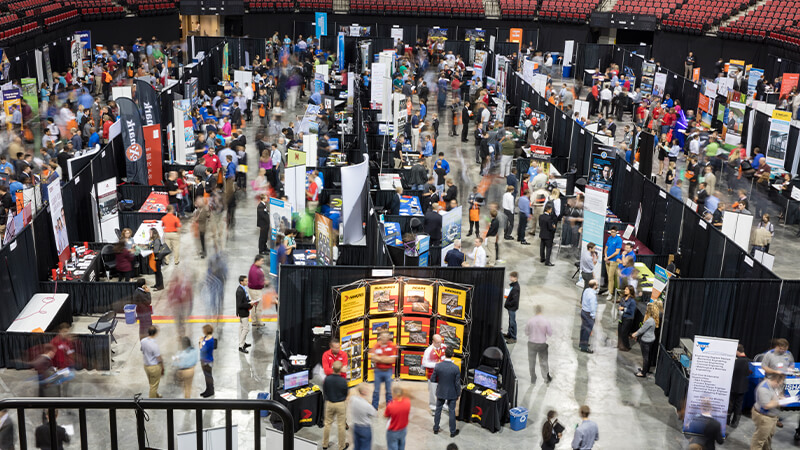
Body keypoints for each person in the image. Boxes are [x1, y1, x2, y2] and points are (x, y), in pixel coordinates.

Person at [431, 347, 461, 438]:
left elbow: (433, 379)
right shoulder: (456, 368)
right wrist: (458, 393)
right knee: (452, 411)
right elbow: (457, 384)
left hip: (441, 391)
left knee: (438, 410)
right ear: (453, 355)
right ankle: (452, 432)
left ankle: (436, 429)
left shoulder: (438, 366)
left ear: (444, 354)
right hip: (452, 393)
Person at [751, 373, 785, 450]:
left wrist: (781, 397)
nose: (781, 384)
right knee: (759, 440)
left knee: (769, 435)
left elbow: (777, 395)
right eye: (780, 382)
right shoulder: (764, 388)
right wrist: (780, 402)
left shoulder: (776, 386)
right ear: (776, 380)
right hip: (764, 418)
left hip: (773, 417)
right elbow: (766, 405)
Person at [322, 361, 349, 450]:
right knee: (341, 426)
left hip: (329, 403)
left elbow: (324, 391)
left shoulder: (327, 379)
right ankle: (341, 446)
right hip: (340, 404)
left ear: (332, 368)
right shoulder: (343, 381)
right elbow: (346, 393)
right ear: (341, 369)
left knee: (327, 424)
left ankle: (325, 444)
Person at [526, 305, 553, 383]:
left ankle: (533, 377)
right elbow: (550, 333)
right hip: (542, 344)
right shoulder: (545, 321)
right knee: (544, 361)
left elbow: (527, 332)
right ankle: (546, 378)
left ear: (535, 311)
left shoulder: (530, 320)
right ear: (541, 311)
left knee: (532, 361)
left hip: (531, 344)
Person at [631, 303, 659, 377]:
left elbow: (641, 330)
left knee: (645, 357)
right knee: (648, 356)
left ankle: (643, 373)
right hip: (651, 339)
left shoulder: (649, 321)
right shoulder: (653, 319)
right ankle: (645, 369)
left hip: (646, 341)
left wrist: (634, 334)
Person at [370, 332, 397, 409]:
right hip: (378, 371)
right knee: (376, 391)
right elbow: (373, 358)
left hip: (388, 371)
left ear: (388, 338)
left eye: (386, 337)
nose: (384, 338)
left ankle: (390, 407)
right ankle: (374, 408)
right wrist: (385, 358)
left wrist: (379, 358)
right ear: (380, 337)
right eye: (382, 337)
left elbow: (392, 360)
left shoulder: (392, 346)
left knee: (388, 391)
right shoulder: (376, 345)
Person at [422, 334, 448, 414]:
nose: (440, 344)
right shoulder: (428, 351)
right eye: (437, 342)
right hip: (432, 375)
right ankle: (433, 407)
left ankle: (444, 405)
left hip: (443, 374)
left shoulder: (444, 347)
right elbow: (424, 363)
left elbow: (447, 357)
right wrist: (436, 364)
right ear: (433, 342)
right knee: (433, 393)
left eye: (441, 342)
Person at [728, 344, 751, 428]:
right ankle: (735, 423)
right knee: (739, 405)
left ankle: (727, 421)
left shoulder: (735, 361)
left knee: (730, 404)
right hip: (743, 387)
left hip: (733, 386)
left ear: (737, 351)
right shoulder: (749, 361)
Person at [349, 384, 376, 450]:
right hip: (365, 428)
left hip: (356, 426)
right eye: (367, 389)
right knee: (365, 447)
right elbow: (374, 413)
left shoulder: (353, 399)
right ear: (364, 392)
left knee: (357, 446)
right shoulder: (367, 405)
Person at [384, 384, 410, 450]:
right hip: (403, 429)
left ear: (394, 394)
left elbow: (385, 415)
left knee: (392, 447)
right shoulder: (408, 402)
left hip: (393, 431)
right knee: (401, 445)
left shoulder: (391, 405)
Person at [141, 326, 163, 398]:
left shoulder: (143, 341)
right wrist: (162, 367)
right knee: (153, 386)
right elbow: (159, 358)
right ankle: (152, 402)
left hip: (146, 366)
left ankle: (156, 395)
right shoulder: (154, 345)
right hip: (154, 367)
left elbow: (142, 350)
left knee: (152, 383)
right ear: (155, 333)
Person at [247, 255, 268, 328]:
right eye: (261, 261)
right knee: (258, 307)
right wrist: (264, 283)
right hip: (255, 290)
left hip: (255, 290)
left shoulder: (257, 267)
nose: (262, 262)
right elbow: (256, 283)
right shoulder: (254, 270)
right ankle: (259, 321)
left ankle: (254, 321)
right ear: (257, 261)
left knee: (254, 306)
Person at [604, 226, 623, 298]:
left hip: (613, 261)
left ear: (616, 232)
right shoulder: (609, 238)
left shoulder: (619, 240)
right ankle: (609, 290)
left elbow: (617, 252)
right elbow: (606, 248)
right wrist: (606, 256)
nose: (612, 233)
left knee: (610, 277)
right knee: (609, 277)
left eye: (613, 232)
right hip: (607, 260)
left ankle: (610, 293)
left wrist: (608, 258)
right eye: (611, 232)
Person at [580, 280, 598, 353]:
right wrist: (593, 316)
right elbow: (593, 307)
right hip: (588, 314)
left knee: (583, 329)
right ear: (595, 286)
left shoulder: (586, 290)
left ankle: (582, 344)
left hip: (583, 311)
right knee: (587, 331)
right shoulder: (592, 296)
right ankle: (584, 347)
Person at [236, 275, 253, 354]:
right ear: (241, 282)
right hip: (243, 312)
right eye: (245, 281)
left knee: (242, 327)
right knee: (246, 329)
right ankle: (241, 346)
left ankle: (243, 343)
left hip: (244, 311)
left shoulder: (243, 289)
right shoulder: (240, 291)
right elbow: (240, 304)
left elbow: (244, 300)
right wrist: (249, 305)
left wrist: (250, 301)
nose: (247, 282)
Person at [199, 324, 216, 398]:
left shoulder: (210, 341)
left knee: (208, 376)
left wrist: (200, 343)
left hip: (207, 361)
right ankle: (208, 389)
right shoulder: (206, 338)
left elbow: (203, 350)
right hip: (204, 360)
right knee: (207, 376)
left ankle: (211, 391)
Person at [617, 286, 636, 351]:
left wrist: (624, 309)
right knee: (620, 331)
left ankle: (626, 346)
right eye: (625, 289)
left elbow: (631, 311)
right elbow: (620, 304)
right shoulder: (623, 298)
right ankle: (620, 344)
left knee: (624, 333)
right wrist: (619, 307)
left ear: (630, 291)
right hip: (621, 317)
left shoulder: (632, 301)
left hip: (628, 318)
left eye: (626, 289)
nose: (625, 290)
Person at [504, 272, 520, 343]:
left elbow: (514, 300)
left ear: (515, 278)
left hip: (512, 308)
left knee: (512, 322)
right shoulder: (513, 286)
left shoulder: (516, 288)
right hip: (510, 307)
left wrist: (508, 304)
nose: (510, 278)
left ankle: (513, 338)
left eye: (511, 277)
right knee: (511, 321)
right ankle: (509, 334)